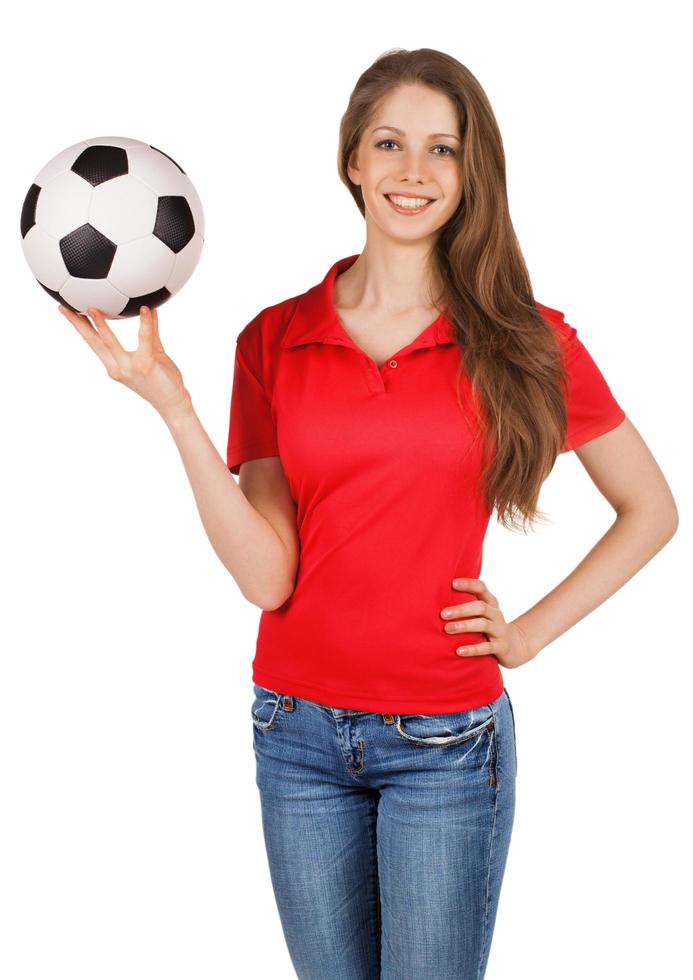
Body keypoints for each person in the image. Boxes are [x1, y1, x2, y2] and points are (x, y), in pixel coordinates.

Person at [58, 47, 678, 980]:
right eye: (390, 144)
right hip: (295, 737)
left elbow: (651, 508)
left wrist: (530, 634)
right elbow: (268, 576)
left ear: (472, 174)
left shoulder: (525, 342)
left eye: (443, 150)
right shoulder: (273, 338)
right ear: (352, 159)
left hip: (443, 743)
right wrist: (174, 407)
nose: (413, 172)